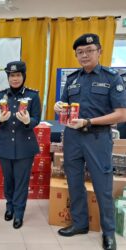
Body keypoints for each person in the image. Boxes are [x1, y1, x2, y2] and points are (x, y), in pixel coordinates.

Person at [54, 33, 126, 250]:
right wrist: (59, 107)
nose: (84, 55)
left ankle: (109, 233)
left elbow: (121, 114)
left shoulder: (112, 78)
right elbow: (65, 107)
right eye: (80, 52)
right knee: (74, 183)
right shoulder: (73, 79)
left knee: (102, 186)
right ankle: (80, 223)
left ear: (99, 51)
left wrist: (89, 121)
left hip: (97, 138)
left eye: (89, 50)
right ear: (76, 55)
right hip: (73, 138)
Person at [0, 61, 41, 229]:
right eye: (12, 75)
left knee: (21, 181)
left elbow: (36, 118)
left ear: (23, 76)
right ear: (8, 77)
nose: (15, 78)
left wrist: (28, 121)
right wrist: (0, 119)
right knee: (8, 180)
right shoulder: (0, 96)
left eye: (18, 75)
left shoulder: (32, 96)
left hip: (24, 146)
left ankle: (19, 212)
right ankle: (9, 206)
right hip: (4, 145)